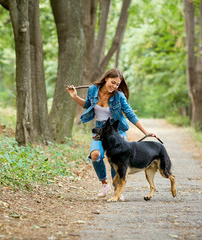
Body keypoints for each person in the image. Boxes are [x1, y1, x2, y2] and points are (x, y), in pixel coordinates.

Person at [66, 68, 158, 199]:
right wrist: (74, 96)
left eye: (117, 84)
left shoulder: (119, 96)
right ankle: (104, 184)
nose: (114, 86)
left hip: (116, 131)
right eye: (112, 82)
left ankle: (117, 190)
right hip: (100, 130)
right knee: (95, 155)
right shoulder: (93, 90)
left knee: (117, 159)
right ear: (106, 79)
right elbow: (87, 105)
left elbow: (130, 114)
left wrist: (146, 131)